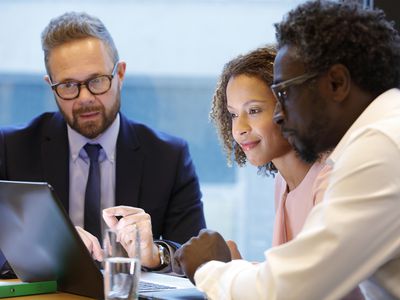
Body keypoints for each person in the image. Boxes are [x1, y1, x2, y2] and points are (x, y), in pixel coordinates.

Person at [174, 1, 400, 299]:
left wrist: (208, 267)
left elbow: (289, 290)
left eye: (284, 93)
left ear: (336, 83)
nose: (280, 113)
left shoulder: (379, 147)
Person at [0, 11, 205, 277]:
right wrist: (38, 248)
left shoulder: (169, 157)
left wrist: (156, 255)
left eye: (97, 81)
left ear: (120, 74)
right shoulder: (10, 148)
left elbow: (196, 258)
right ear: (50, 86)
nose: (85, 98)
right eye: (68, 85)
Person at [209, 45, 326, 249]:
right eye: (233, 114)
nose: (239, 129)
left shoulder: (327, 179)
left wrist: (233, 270)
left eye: (253, 110)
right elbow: (288, 273)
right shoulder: (282, 182)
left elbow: (313, 278)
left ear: (291, 106)